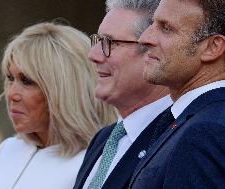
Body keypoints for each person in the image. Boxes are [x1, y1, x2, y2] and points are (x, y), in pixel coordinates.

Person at [129, 0, 225, 188]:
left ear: (213, 47)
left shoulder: (208, 133)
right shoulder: (208, 122)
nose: (145, 38)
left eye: (166, 28)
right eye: (152, 23)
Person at [0, 22, 117, 189]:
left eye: (27, 81)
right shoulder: (8, 150)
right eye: (10, 78)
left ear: (66, 90)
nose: (11, 94)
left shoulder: (95, 164)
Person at [73, 0, 172, 189]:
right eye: (98, 40)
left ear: (152, 51)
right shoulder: (104, 139)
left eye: (110, 43)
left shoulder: (179, 138)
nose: (93, 54)